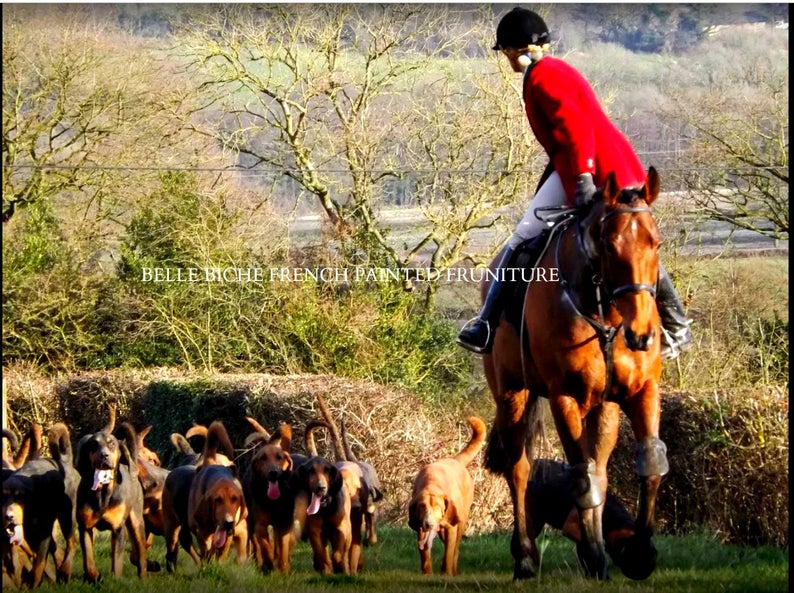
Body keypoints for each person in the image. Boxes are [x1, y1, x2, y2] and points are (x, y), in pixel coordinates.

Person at [456, 7, 692, 358]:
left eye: (505, 52)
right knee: (632, 247)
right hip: (617, 166)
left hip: (594, 170)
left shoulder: (542, 76)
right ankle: (676, 325)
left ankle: (486, 324)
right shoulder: (558, 69)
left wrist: (583, 176)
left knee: (522, 236)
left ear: (516, 50)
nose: (506, 60)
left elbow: (575, 129)